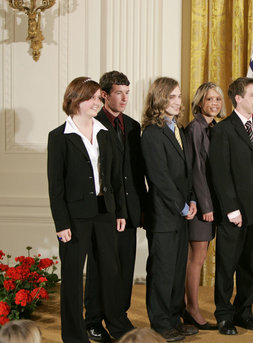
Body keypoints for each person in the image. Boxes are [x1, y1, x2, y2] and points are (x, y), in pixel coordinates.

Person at [47, 77, 133, 342]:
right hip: (74, 218)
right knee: (72, 278)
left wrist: (120, 211)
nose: (97, 102)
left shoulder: (104, 133)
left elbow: (115, 177)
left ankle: (116, 326)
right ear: (75, 99)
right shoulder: (59, 137)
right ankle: (74, 336)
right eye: (91, 98)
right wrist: (61, 224)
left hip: (104, 212)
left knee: (110, 272)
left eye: (99, 97)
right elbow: (56, 187)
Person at [84, 71, 146, 342]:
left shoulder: (132, 125)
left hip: (129, 208)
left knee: (125, 266)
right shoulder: (93, 124)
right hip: (104, 207)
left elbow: (135, 170)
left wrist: (141, 207)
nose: (124, 98)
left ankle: (119, 315)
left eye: (127, 93)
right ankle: (93, 320)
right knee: (100, 266)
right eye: (119, 93)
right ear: (104, 95)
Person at [209, 77, 253, 335]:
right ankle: (224, 315)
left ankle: (244, 312)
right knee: (227, 267)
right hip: (233, 214)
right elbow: (220, 173)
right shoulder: (222, 130)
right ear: (238, 98)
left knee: (250, 267)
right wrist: (231, 209)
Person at [141, 77, 199, 342]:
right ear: (160, 98)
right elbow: (159, 177)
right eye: (172, 97)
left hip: (181, 213)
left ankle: (174, 317)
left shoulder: (179, 129)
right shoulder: (152, 133)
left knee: (176, 269)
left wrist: (192, 201)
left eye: (179, 96)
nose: (178, 101)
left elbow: (187, 173)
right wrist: (182, 205)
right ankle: (161, 323)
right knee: (163, 271)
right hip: (164, 214)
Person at [182, 82, 225, 331]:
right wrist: (206, 205)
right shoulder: (196, 128)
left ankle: (189, 306)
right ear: (200, 102)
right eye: (209, 99)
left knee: (199, 256)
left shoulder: (214, 127)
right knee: (196, 258)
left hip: (212, 203)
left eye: (218, 99)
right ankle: (192, 310)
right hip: (200, 205)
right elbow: (196, 170)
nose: (215, 104)